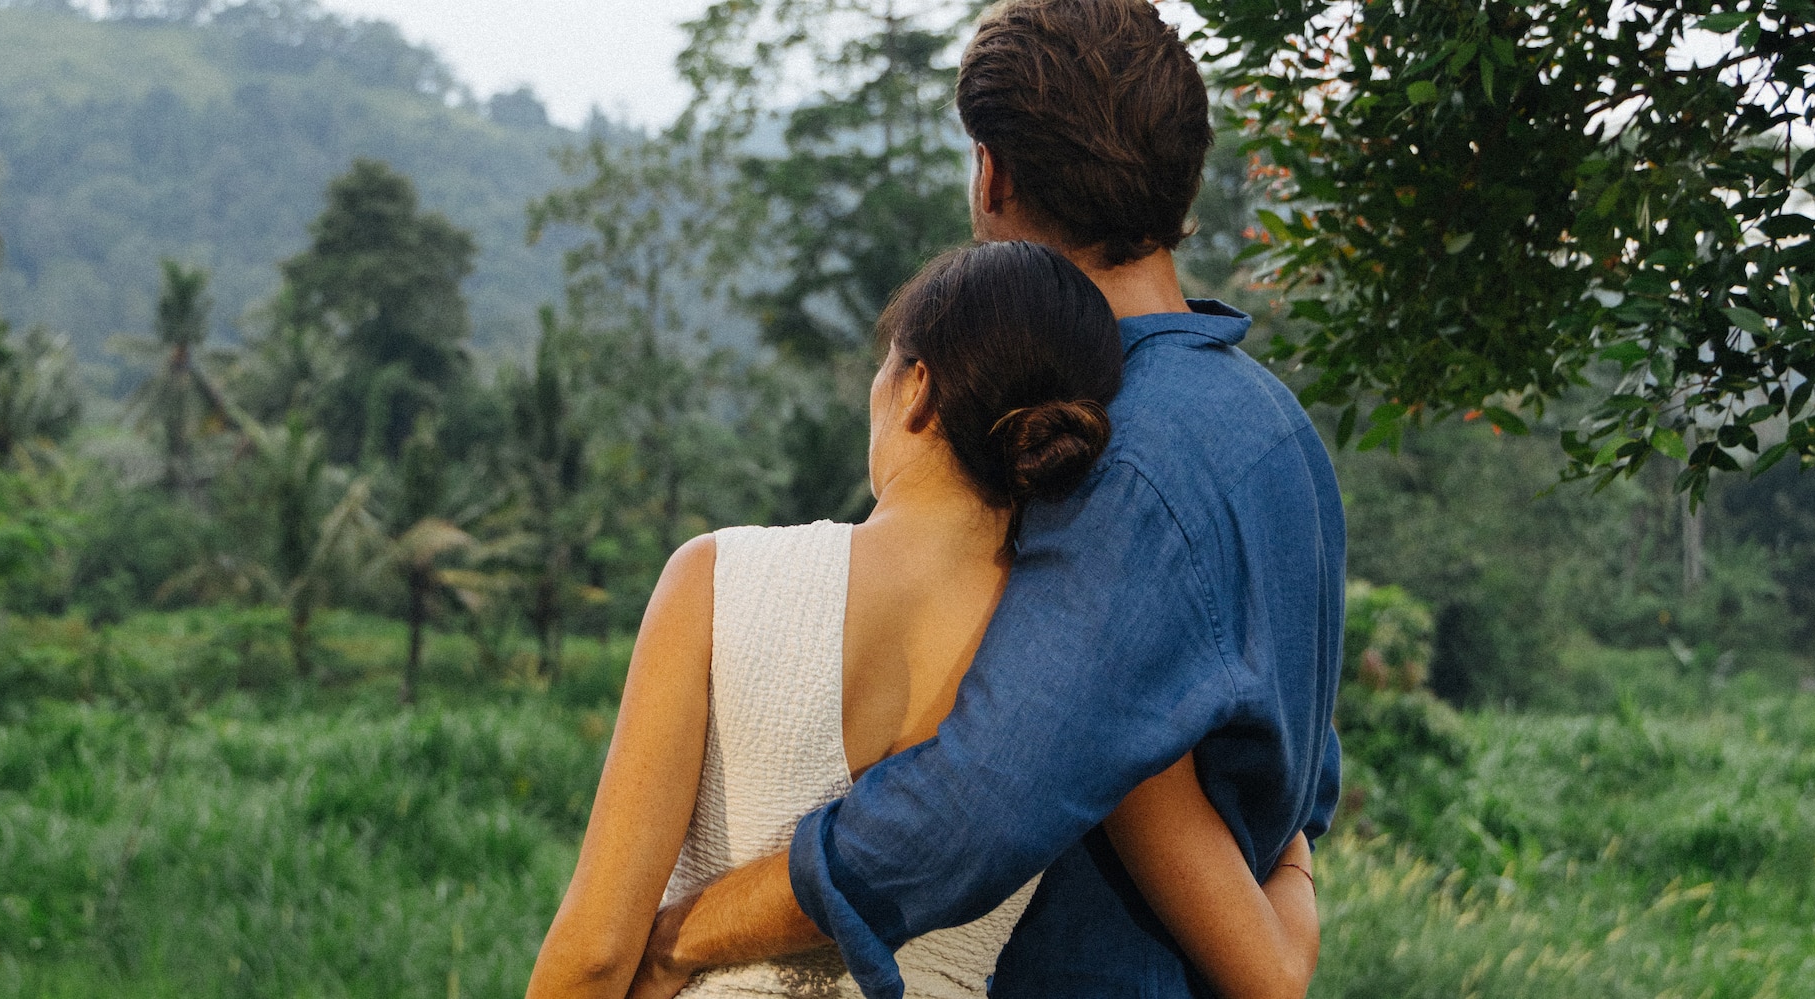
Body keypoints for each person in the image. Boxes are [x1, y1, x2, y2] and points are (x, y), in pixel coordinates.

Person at [613, 1, 1346, 996]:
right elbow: (1299, 770)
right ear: (1182, 176)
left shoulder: (1112, 450)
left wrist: (680, 937)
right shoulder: (1277, 429)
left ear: (992, 172)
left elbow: (973, 806)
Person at [525, 241, 1318, 999]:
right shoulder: (1084, 675)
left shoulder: (716, 579)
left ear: (917, 388)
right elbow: (1268, 970)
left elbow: (595, 953)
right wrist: (1292, 847)